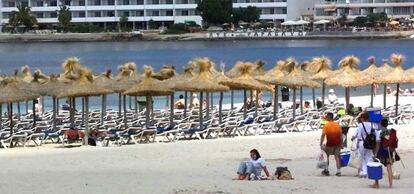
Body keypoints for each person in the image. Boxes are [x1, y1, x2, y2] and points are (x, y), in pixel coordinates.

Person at [355, 111, 380, 178]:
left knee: (362, 158)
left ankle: (364, 172)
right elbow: (375, 133)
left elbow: (359, 135)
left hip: (362, 142)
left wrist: (357, 144)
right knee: (368, 158)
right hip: (370, 143)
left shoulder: (361, 125)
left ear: (363, 118)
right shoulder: (372, 124)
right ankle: (368, 172)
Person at [373, 119, 395, 188]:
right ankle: (390, 185)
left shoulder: (379, 132)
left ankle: (376, 183)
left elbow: (378, 144)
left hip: (381, 152)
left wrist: (375, 154)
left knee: (377, 166)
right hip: (388, 152)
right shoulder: (389, 131)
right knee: (389, 168)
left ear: (381, 124)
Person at [320, 112, 343, 176]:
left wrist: (321, 143)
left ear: (328, 117)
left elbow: (323, 135)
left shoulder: (326, 126)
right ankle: (338, 171)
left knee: (327, 156)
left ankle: (326, 170)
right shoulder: (338, 125)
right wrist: (342, 144)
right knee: (337, 157)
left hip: (330, 143)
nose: (325, 118)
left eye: (326, 117)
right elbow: (341, 136)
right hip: (337, 143)